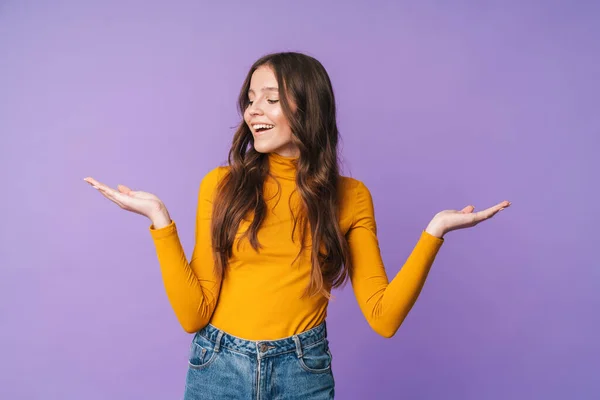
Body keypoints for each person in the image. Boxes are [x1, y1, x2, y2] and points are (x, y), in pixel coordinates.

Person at [84, 51, 511, 399]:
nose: (254, 111)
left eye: (271, 98)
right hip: (217, 365)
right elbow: (193, 315)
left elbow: (383, 318)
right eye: (251, 98)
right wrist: (161, 221)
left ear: (308, 107)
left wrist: (434, 231)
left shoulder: (351, 196)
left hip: (302, 371)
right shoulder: (221, 185)